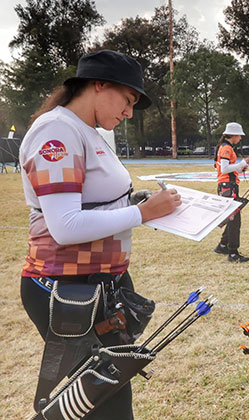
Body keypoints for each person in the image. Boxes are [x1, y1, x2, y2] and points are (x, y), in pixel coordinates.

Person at [19, 49, 181, 419]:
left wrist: (135, 201)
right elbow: (65, 227)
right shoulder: (56, 132)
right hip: (67, 290)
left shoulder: (87, 131)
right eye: (127, 100)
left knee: (109, 395)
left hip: (99, 286)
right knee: (104, 403)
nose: (128, 113)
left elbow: (96, 200)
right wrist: (142, 212)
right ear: (98, 85)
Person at [213, 122, 249, 263]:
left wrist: (241, 167)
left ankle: (223, 245)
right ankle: (233, 252)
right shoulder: (227, 149)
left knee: (231, 217)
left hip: (227, 186)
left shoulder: (225, 147)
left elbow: (228, 168)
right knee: (235, 220)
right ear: (233, 135)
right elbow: (224, 168)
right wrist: (241, 164)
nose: (240, 138)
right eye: (239, 136)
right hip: (228, 187)